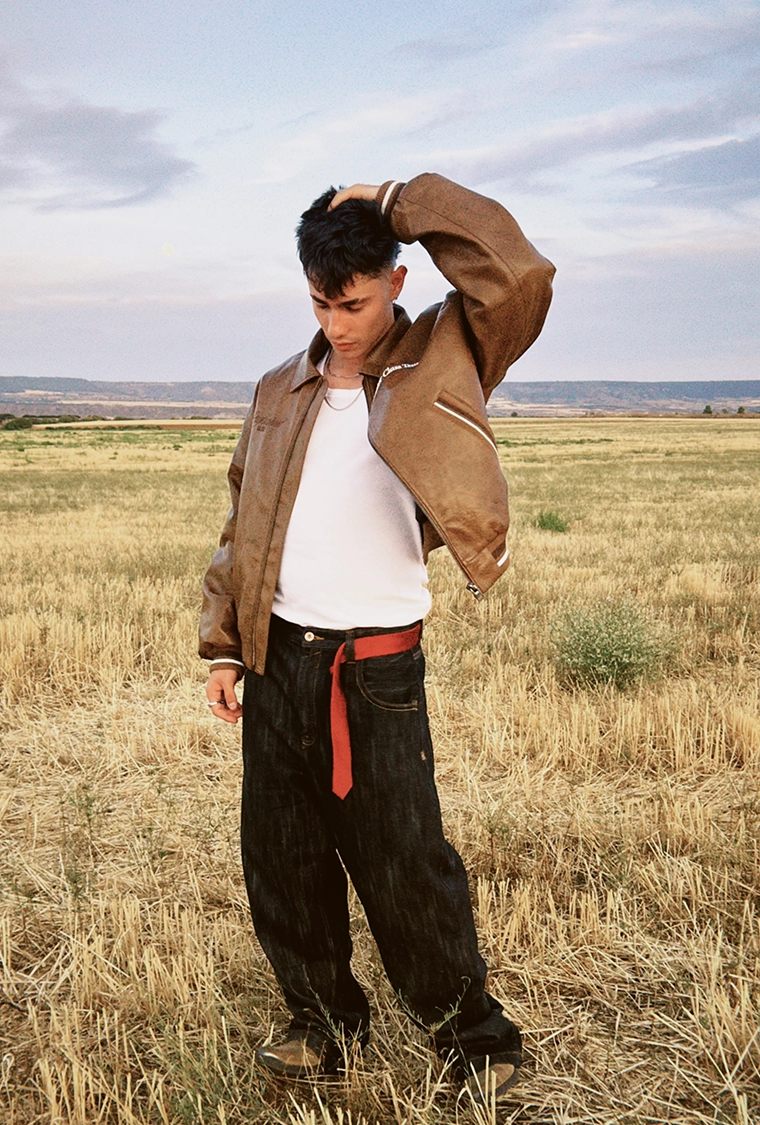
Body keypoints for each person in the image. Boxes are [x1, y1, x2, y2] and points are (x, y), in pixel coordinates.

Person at [197, 174, 553, 1101]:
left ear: (396, 280)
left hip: (378, 669)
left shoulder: (448, 353)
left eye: (352, 301)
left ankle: (473, 1038)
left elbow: (517, 275)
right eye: (320, 300)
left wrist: (402, 197)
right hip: (279, 659)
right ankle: (322, 1023)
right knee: (284, 860)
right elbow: (244, 517)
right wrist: (227, 643)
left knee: (407, 867)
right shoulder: (282, 387)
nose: (337, 321)